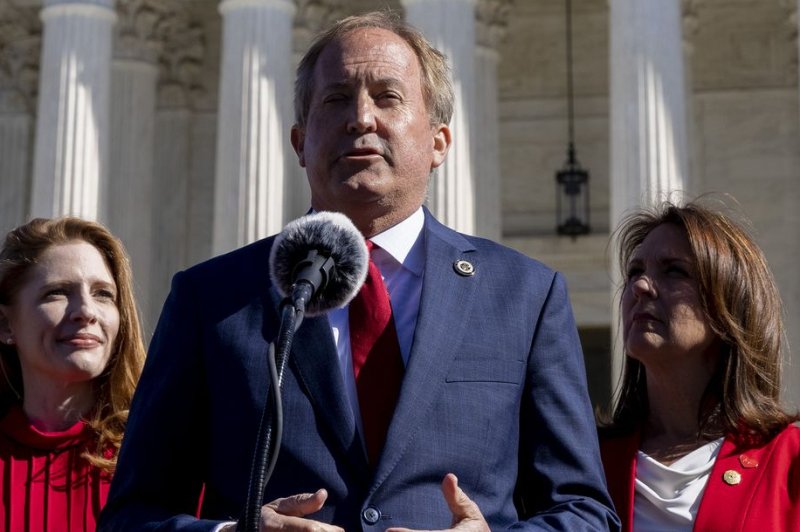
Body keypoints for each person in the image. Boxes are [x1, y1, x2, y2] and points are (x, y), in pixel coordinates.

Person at [101, 11, 618, 531]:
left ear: (439, 141)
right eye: (336, 99)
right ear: (300, 142)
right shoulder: (211, 299)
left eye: (387, 97)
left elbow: (585, 513)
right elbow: (132, 515)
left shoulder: (525, 296)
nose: (361, 118)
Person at [599, 201, 800, 531]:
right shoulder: (587, 466)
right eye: (635, 271)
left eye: (674, 270)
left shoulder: (789, 463)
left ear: (730, 303)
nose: (639, 286)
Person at [0, 217, 146, 530]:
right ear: (5, 324)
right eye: (57, 292)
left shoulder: (161, 456)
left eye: (103, 294)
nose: (87, 311)